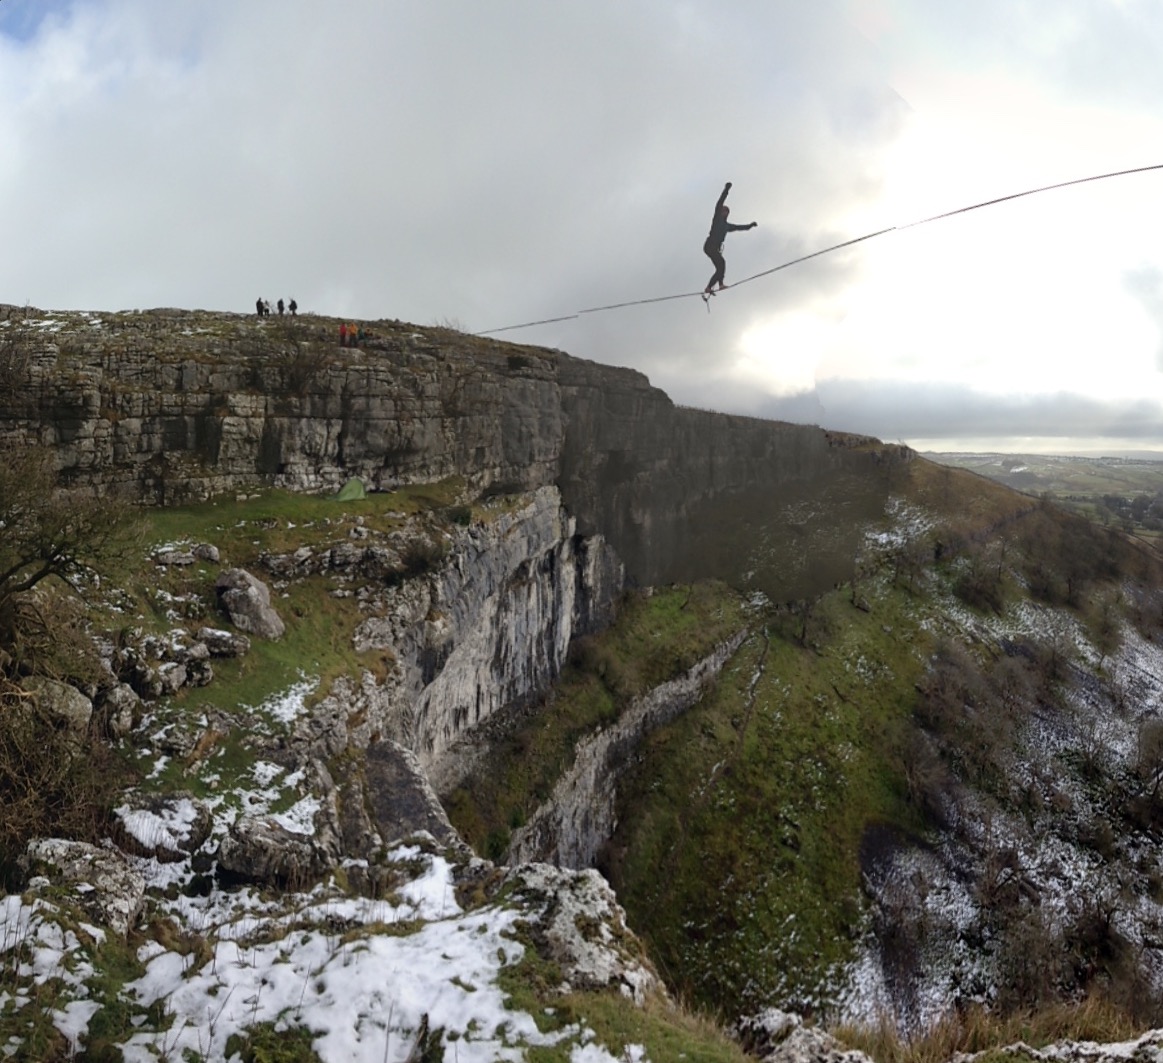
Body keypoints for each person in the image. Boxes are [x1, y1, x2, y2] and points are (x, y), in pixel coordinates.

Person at [703, 181, 757, 298]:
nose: (725, 213)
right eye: (724, 211)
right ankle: (719, 284)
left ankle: (713, 286)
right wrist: (726, 189)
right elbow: (720, 202)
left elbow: (739, 227)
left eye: (727, 212)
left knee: (720, 267)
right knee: (721, 263)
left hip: (714, 248)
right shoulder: (717, 219)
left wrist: (750, 225)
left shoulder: (727, 226)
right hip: (709, 245)